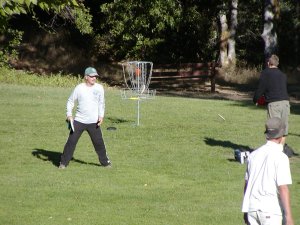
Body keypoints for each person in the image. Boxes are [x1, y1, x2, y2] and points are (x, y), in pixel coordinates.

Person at [242, 117, 294, 225]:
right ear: (281, 135)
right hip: (270, 210)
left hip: (252, 208)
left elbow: (247, 185)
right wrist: (288, 216)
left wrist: (246, 210)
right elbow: (283, 188)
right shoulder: (281, 157)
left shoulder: (253, 155)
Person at [59, 67, 111, 169]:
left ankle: (106, 163)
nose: (94, 78)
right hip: (79, 121)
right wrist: (69, 114)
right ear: (86, 77)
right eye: (92, 76)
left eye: (95, 76)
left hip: (94, 122)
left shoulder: (99, 88)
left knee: (99, 143)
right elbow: (70, 101)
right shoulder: (79, 88)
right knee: (71, 142)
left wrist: (101, 116)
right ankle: (63, 163)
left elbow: (101, 103)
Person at [253, 54, 290, 145]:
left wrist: (255, 100)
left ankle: (273, 153)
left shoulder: (266, 73)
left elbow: (261, 88)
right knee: (283, 129)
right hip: (286, 103)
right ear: (277, 63)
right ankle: (280, 152)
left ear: (269, 63)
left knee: (273, 129)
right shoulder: (282, 75)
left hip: (274, 104)